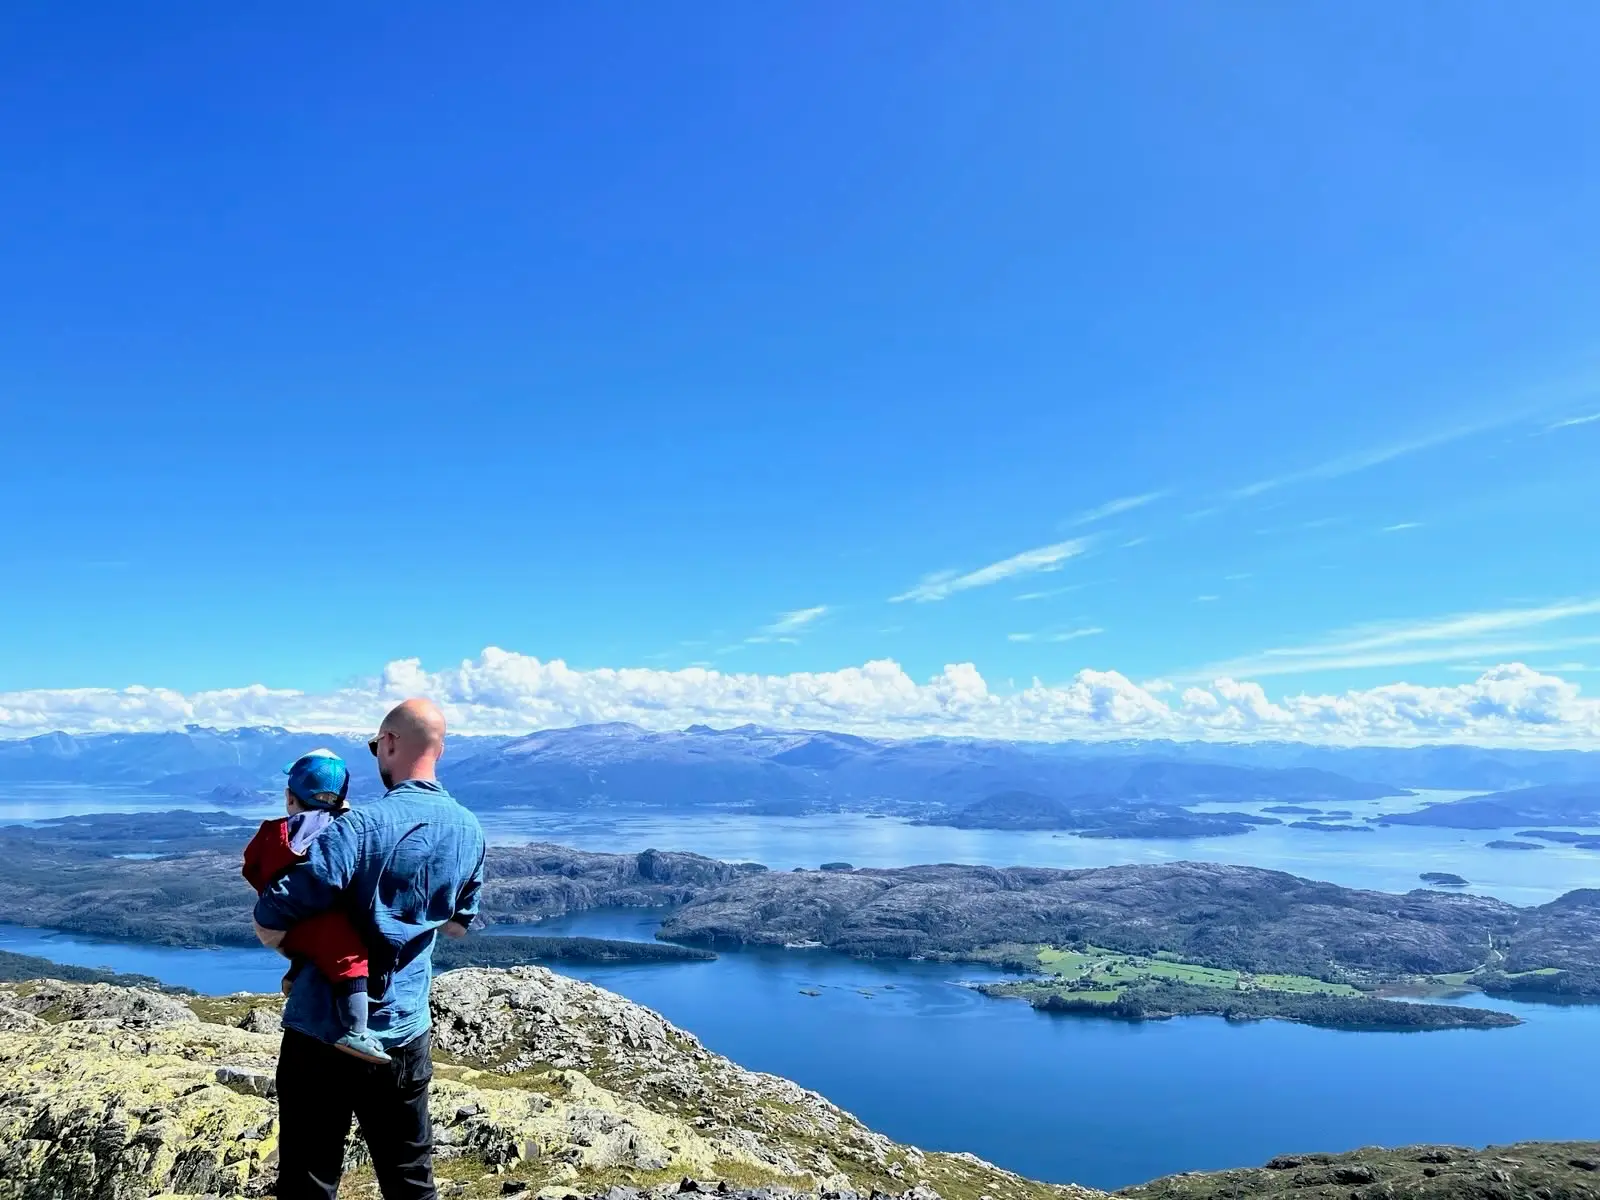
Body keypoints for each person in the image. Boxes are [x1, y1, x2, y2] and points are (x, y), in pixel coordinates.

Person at [254, 698, 486, 1200]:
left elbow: (274, 912)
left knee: (308, 1181)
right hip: (404, 1031)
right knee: (410, 1179)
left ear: (391, 743)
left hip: (321, 1032)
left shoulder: (357, 827)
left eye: (376, 745)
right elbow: (457, 927)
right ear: (438, 751)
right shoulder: (470, 829)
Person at [241, 748, 390, 1064]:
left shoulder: (275, 831)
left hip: (285, 922)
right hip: (323, 925)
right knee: (352, 959)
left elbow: (251, 867)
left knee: (311, 947)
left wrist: (270, 894)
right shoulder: (344, 828)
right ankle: (355, 1030)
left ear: (290, 797)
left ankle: (296, 972)